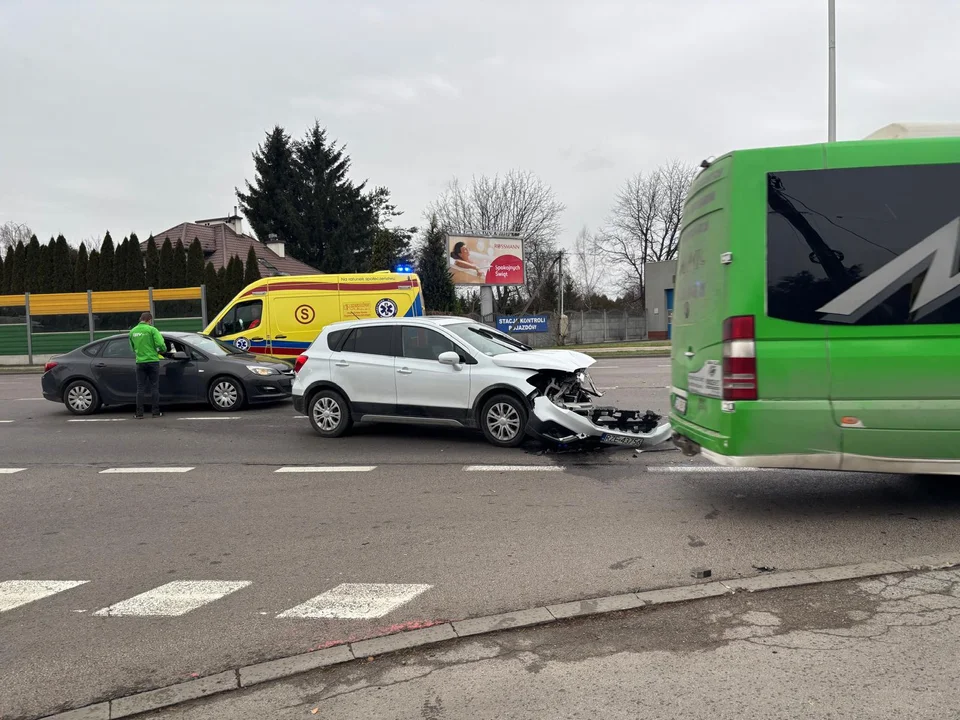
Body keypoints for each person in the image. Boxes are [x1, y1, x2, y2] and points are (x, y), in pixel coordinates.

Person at [129, 312, 167, 419]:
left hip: (140, 362)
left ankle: (139, 413)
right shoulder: (152, 330)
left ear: (140, 319)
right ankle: (155, 412)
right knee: (154, 387)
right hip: (153, 361)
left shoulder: (132, 331)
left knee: (140, 388)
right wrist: (162, 350)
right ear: (149, 320)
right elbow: (160, 344)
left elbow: (132, 348)